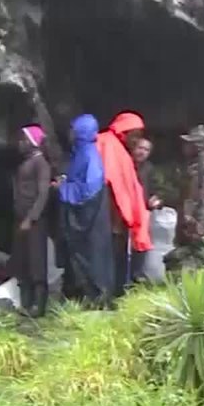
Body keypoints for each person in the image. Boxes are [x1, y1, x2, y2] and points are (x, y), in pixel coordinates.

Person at [58, 114, 116, 309]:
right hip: (87, 219)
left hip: (92, 220)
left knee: (93, 257)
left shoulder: (89, 155)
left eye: (73, 130)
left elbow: (90, 189)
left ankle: (98, 299)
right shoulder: (80, 153)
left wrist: (64, 189)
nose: (69, 134)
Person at [97, 112, 152, 296]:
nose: (137, 141)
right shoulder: (107, 144)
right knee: (110, 259)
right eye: (134, 136)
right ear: (124, 131)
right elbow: (110, 183)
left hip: (120, 216)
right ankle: (109, 296)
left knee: (120, 259)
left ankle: (117, 294)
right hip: (111, 216)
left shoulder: (120, 149)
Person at [166, 125, 204, 272]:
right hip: (188, 226)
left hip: (199, 229)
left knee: (202, 264)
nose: (184, 146)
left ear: (197, 146)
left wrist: (199, 227)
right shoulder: (192, 167)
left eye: (188, 143)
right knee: (180, 262)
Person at [12, 125, 52, 317]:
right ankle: (26, 303)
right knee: (23, 261)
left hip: (34, 221)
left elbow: (43, 193)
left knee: (37, 261)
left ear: (33, 141)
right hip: (21, 218)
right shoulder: (26, 162)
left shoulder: (40, 163)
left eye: (23, 139)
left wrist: (31, 218)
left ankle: (39, 305)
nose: (20, 143)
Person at [132, 137, 162, 210]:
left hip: (142, 210)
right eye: (140, 148)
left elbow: (154, 189)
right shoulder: (125, 164)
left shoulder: (149, 168)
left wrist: (155, 199)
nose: (142, 152)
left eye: (146, 150)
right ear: (133, 148)